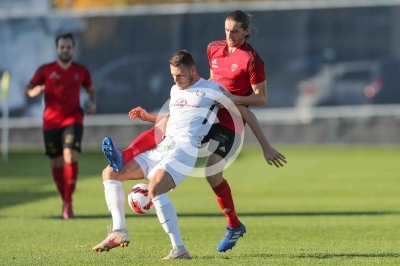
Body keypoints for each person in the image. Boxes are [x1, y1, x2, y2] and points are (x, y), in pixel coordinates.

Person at [92, 50, 224, 260]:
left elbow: (240, 108)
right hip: (164, 146)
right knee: (110, 173)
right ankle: (119, 231)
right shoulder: (175, 90)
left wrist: (259, 143)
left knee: (155, 187)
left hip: (185, 150)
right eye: (173, 75)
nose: (176, 79)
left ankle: (179, 249)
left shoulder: (212, 89)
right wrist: (149, 117)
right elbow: (173, 119)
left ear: (193, 70)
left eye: (180, 75)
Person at [203, 9, 287, 252]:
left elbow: (260, 99)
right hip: (208, 113)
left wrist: (233, 98)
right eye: (227, 30)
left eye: (235, 31)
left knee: (211, 173)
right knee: (174, 136)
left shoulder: (252, 60)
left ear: (246, 31)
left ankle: (233, 225)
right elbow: (212, 79)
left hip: (232, 119)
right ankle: (130, 158)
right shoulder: (213, 49)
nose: (229, 35)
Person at [25, 33, 96, 219]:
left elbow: (91, 90)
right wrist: (34, 91)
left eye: (68, 47)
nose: (65, 50)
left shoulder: (81, 71)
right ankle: (65, 199)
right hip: (50, 122)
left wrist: (92, 103)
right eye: (62, 47)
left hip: (73, 119)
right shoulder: (46, 70)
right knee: (56, 162)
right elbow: (29, 88)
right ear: (57, 49)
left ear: (73, 49)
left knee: (70, 155)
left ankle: (68, 202)